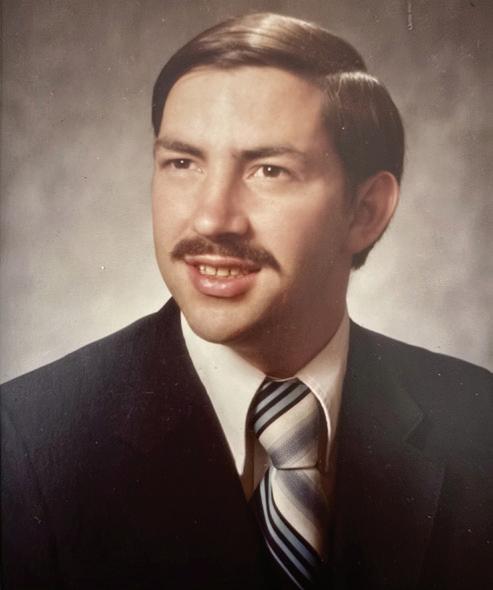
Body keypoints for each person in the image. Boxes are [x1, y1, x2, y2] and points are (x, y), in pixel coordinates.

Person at [1, 12, 491, 590]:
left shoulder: (478, 424)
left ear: (366, 212)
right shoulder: (26, 445)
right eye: (182, 162)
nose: (212, 218)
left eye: (269, 170)